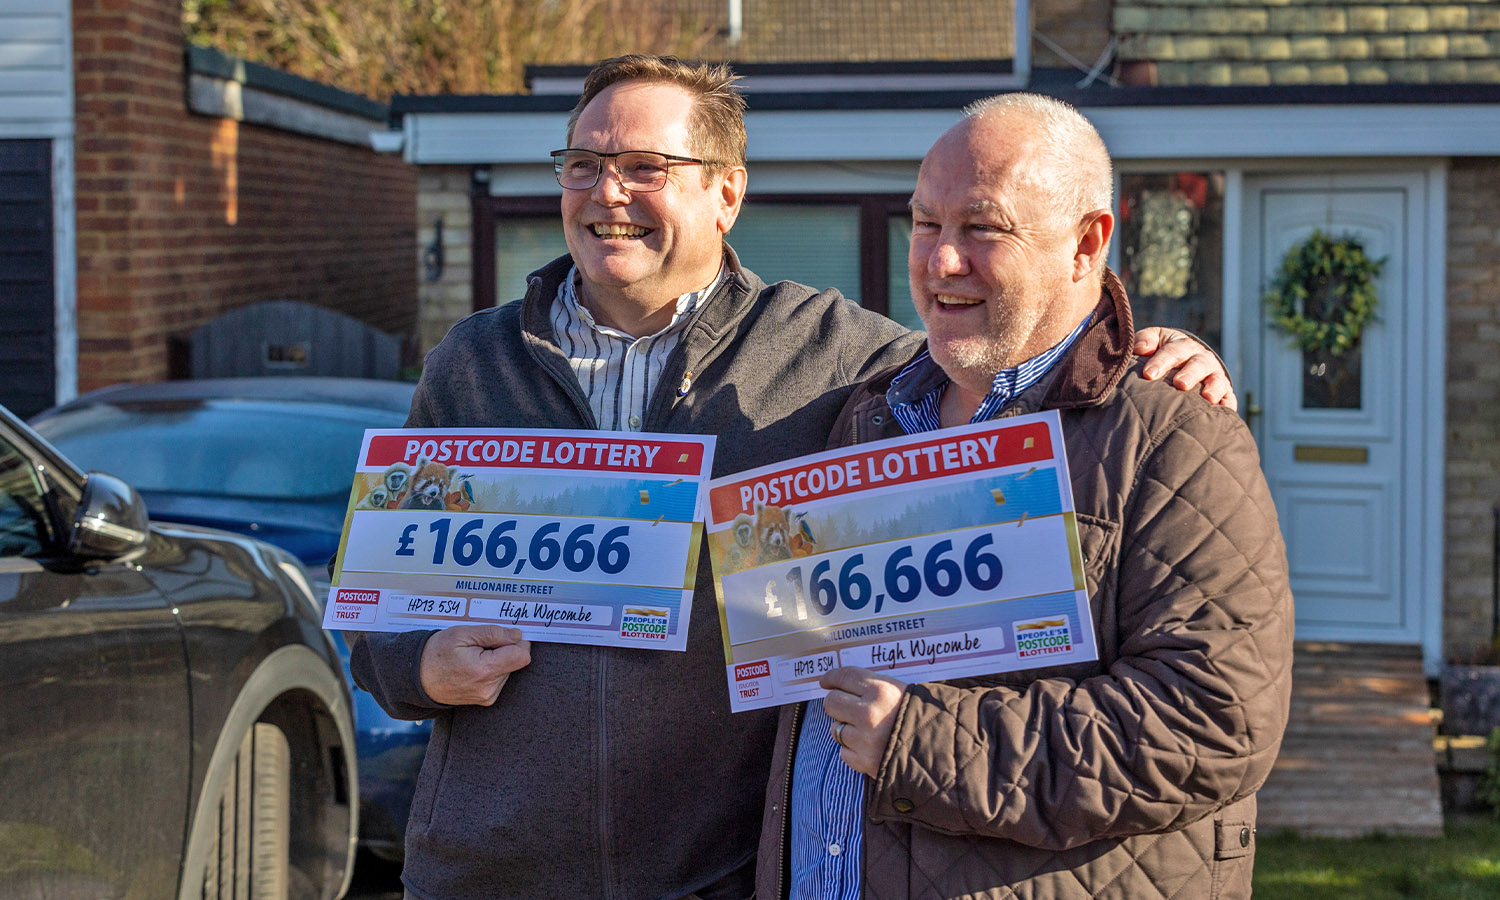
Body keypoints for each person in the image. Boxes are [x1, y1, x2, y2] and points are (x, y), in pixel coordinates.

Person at [350, 56, 1238, 900]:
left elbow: (1008, 355)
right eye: (582, 164)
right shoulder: (471, 363)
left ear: (726, 191)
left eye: (646, 166)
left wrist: (1146, 347)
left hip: (718, 872)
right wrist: (419, 667)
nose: (606, 193)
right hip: (483, 870)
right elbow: (377, 614)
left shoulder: (839, 358)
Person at [754, 92, 1294, 900]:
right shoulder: (866, 417)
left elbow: (1211, 723)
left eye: (983, 227)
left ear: (1086, 244)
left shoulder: (1176, 438)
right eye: (926, 223)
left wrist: (916, 740)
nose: (940, 261)